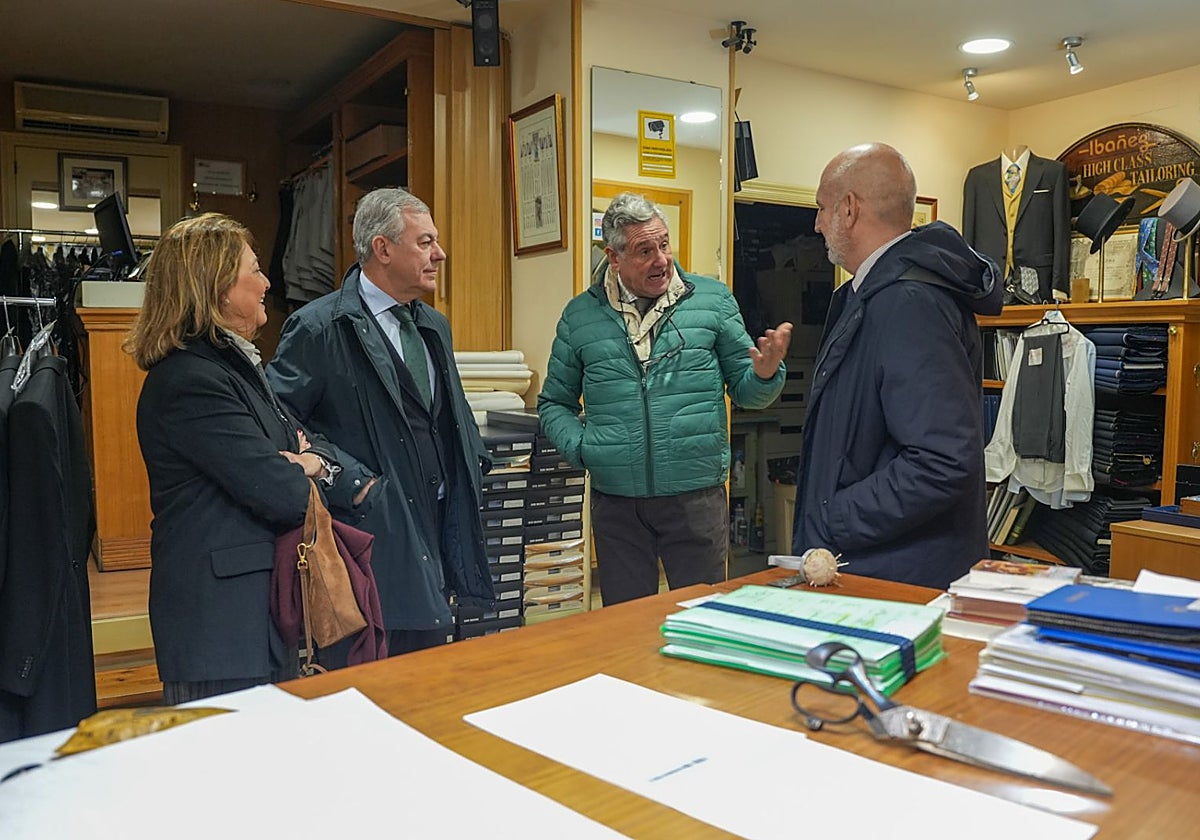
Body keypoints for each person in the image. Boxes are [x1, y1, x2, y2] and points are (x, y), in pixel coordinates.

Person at [127, 213, 349, 704]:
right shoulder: (190, 381)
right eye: (254, 269)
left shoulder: (239, 368)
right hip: (219, 630)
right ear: (217, 285)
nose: (268, 281)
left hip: (251, 620)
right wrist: (301, 466)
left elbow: (317, 447)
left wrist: (308, 461)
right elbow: (284, 493)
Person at [266, 187, 494, 658]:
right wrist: (354, 482)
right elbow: (279, 419)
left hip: (440, 520)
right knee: (373, 678)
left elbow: (450, 410)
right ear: (383, 249)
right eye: (425, 242)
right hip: (371, 532)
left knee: (431, 667)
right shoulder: (319, 327)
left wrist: (475, 464)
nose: (440, 254)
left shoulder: (434, 324)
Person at [539, 192, 792, 605]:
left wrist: (765, 373)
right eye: (644, 250)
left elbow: (749, 390)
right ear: (614, 257)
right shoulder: (579, 316)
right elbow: (554, 403)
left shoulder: (712, 300)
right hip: (618, 503)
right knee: (625, 626)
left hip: (696, 498)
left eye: (664, 244)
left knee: (702, 617)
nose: (661, 259)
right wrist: (585, 450)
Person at [791, 143, 1003, 589]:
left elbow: (941, 460)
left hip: (895, 578)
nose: (816, 223)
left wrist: (834, 518)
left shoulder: (908, 302)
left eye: (821, 208)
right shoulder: (871, 296)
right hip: (875, 566)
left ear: (848, 209)